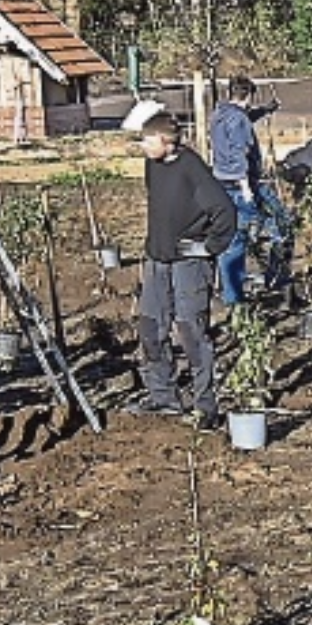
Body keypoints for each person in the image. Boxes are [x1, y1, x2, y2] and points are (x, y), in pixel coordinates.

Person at [126, 106, 238, 426]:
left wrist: (208, 248)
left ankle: (206, 406)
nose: (143, 146)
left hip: (189, 263)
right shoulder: (153, 165)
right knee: (151, 328)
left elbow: (224, 212)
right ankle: (163, 397)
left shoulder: (193, 170)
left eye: (148, 140)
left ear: (167, 140)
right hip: (157, 259)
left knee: (191, 332)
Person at [207, 75, 285, 305]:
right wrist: (245, 187)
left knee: (233, 239)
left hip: (221, 183)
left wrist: (266, 110)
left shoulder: (220, 114)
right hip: (241, 185)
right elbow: (239, 152)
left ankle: (233, 294)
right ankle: (270, 279)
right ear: (249, 96)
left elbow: (244, 119)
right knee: (278, 224)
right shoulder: (239, 120)